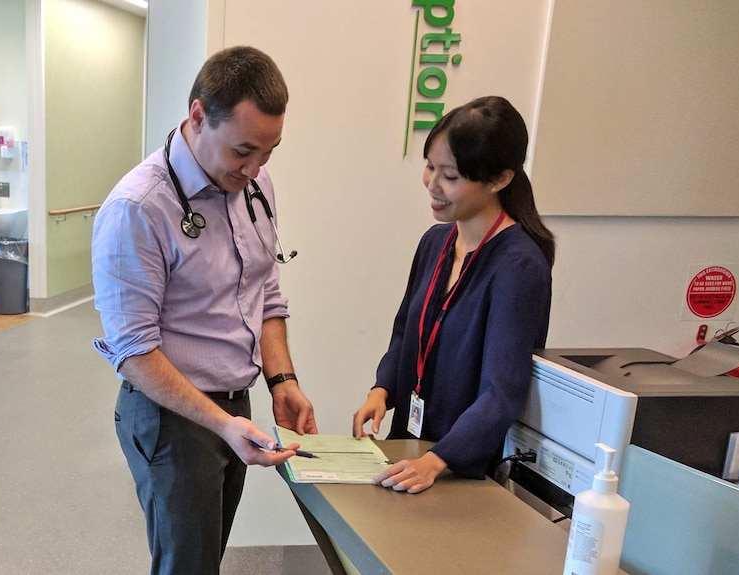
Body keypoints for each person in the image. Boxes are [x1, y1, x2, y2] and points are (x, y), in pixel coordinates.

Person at [91, 46, 318, 574]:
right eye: (244, 150)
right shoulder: (138, 209)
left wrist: (281, 379)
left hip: (234, 410)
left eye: (269, 151)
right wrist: (222, 423)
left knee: (201, 563)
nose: (257, 167)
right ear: (198, 116)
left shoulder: (254, 187)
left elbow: (267, 293)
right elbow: (133, 350)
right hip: (172, 418)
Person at [352, 96, 554, 494]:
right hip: (410, 451)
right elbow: (405, 331)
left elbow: (502, 392)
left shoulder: (519, 267)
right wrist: (382, 389)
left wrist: (436, 461)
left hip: (459, 469)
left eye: (451, 176)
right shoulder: (435, 241)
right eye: (430, 167)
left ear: (499, 179)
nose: (432, 184)